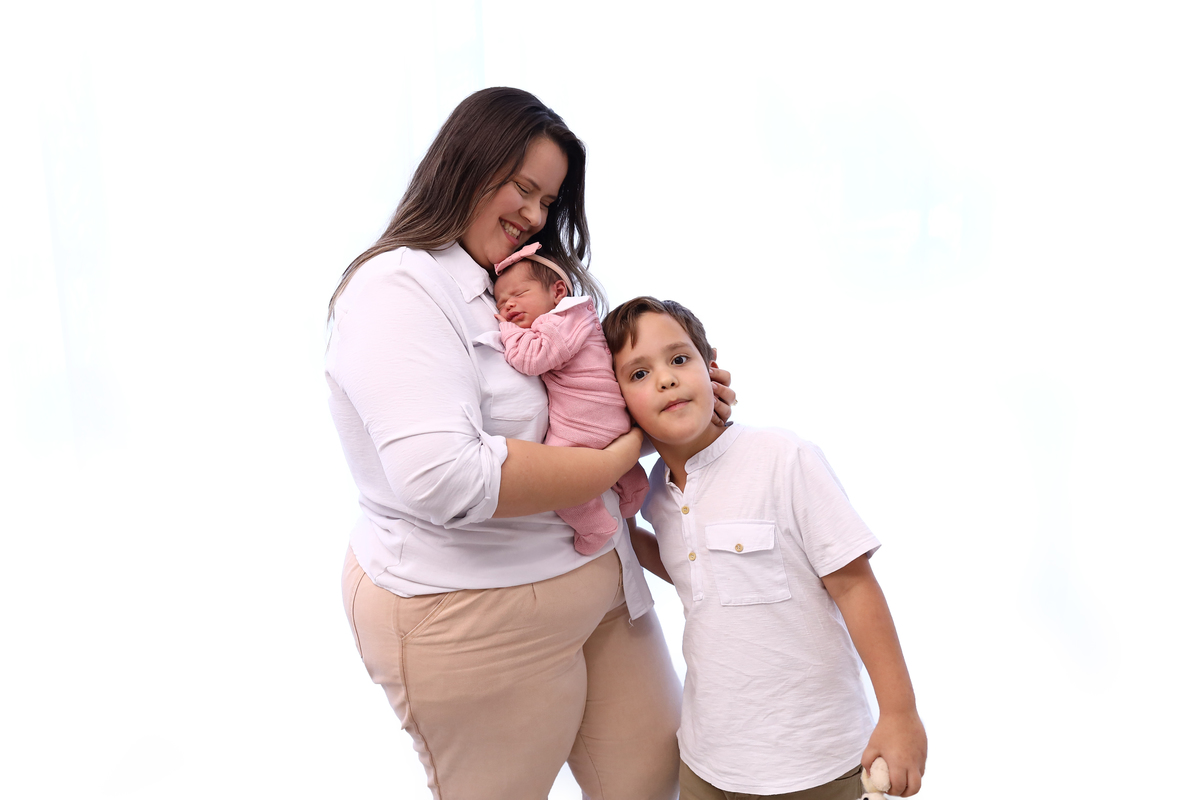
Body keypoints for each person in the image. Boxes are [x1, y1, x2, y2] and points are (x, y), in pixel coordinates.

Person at [325, 88, 735, 799]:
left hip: (601, 582)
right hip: (476, 613)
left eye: (548, 201)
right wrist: (616, 459)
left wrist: (680, 399)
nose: (536, 215)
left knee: (654, 784)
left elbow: (587, 403)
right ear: (465, 165)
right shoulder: (397, 288)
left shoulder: (523, 282)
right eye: (523, 188)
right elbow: (444, 477)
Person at [602, 297, 927, 800]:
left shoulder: (780, 457)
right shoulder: (657, 493)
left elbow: (854, 587)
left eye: (679, 359)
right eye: (639, 374)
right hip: (707, 763)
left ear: (711, 368)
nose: (665, 379)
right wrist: (609, 514)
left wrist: (900, 714)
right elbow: (687, 566)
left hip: (815, 764)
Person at [491, 242, 649, 555]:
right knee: (609, 456)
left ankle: (595, 525)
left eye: (518, 294)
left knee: (556, 480)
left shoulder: (559, 321)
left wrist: (507, 330)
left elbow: (530, 359)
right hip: (610, 417)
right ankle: (632, 486)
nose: (508, 306)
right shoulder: (581, 319)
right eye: (501, 302)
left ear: (558, 292)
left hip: (584, 422)